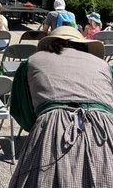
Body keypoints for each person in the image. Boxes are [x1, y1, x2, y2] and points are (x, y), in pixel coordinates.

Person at [9, 26, 112, 188]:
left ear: (50, 44)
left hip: (53, 125)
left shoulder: (32, 62)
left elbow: (22, 112)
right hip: (104, 129)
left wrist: (40, 129)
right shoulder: (104, 66)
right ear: (83, 45)